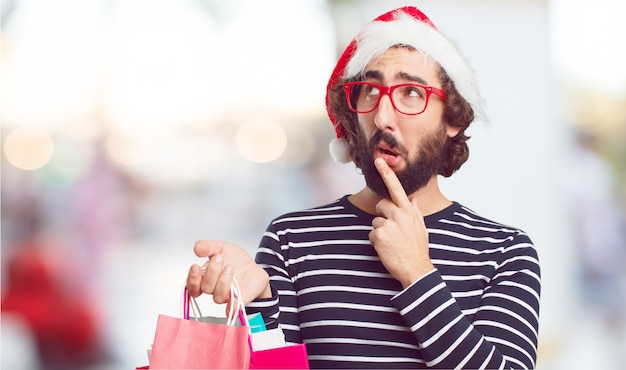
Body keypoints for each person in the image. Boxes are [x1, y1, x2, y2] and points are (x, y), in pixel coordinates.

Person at [187, 6, 540, 369]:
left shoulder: (506, 253)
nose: (382, 116)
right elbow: (273, 364)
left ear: (452, 116)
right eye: (369, 91)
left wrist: (418, 273)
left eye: (411, 93)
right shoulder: (291, 239)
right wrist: (258, 302)